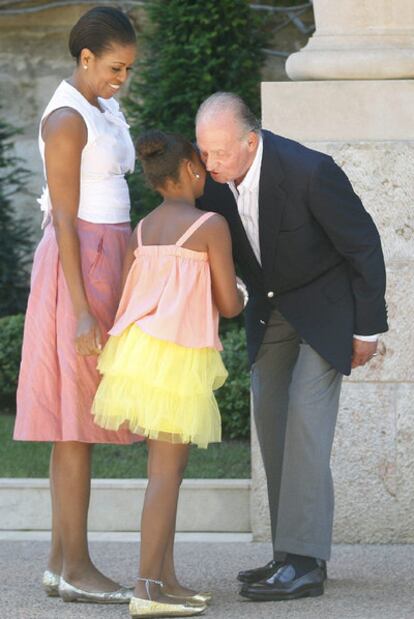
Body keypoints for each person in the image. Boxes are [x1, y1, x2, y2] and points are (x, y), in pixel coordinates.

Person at [195, 92, 388, 602]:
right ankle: (288, 554)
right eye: (204, 152)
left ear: (250, 141)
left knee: (306, 416)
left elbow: (363, 244)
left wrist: (367, 330)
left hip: (327, 309)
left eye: (219, 153)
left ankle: (304, 564)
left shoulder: (309, 171)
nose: (210, 164)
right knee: (273, 417)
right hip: (271, 308)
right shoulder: (212, 184)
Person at [13, 7, 139, 604]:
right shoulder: (66, 117)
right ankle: (77, 568)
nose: (122, 79)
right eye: (115, 68)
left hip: (105, 255)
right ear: (85, 58)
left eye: (129, 70)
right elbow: (64, 216)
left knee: (76, 422)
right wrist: (84, 308)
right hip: (79, 263)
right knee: (75, 424)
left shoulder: (101, 105)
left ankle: (60, 563)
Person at [92, 129, 244, 618]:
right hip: (176, 355)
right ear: (191, 170)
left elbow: (129, 294)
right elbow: (228, 304)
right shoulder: (209, 225)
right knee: (164, 473)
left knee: (170, 472)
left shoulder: (142, 228)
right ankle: (146, 589)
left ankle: (168, 579)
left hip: (138, 351)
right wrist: (241, 289)